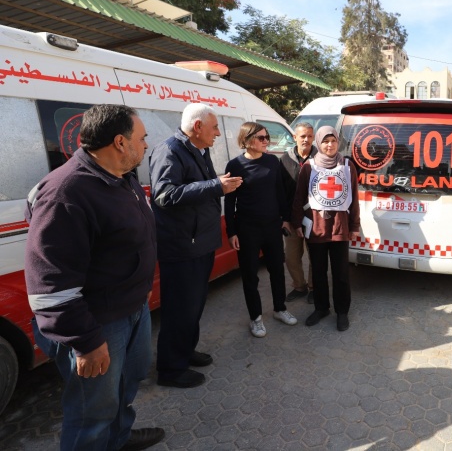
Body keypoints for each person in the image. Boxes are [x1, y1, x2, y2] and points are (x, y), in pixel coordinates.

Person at [24, 104, 165, 451]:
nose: (146, 145)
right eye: (142, 138)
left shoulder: (124, 177)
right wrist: (84, 341)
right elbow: (49, 284)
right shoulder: (65, 193)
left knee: (125, 388)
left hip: (132, 310)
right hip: (97, 324)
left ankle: (117, 440)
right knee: (92, 413)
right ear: (120, 142)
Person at [149, 103, 242, 389]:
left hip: (199, 244)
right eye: (214, 127)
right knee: (180, 309)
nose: (218, 133)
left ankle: (185, 352)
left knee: (194, 306)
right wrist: (216, 186)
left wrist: (216, 185)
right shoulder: (170, 151)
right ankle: (171, 369)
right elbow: (163, 195)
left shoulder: (198, 149)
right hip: (181, 248)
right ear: (198, 127)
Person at [224, 122, 297, 338]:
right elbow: (230, 202)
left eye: (267, 137)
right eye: (262, 138)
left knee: (277, 270)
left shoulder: (272, 161)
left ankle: (280, 308)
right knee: (250, 275)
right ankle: (255, 318)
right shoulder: (235, 165)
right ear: (247, 140)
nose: (267, 141)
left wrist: (285, 219)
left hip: (272, 226)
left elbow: (279, 192)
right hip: (247, 229)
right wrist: (231, 231)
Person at [291, 126, 360, 332]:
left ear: (338, 142)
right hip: (316, 229)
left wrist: (355, 226)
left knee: (341, 274)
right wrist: (296, 223)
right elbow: (298, 197)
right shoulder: (308, 167)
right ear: (318, 143)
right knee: (318, 273)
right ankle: (321, 308)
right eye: (325, 141)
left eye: (333, 141)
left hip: (340, 228)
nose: (329, 145)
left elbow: (354, 198)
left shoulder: (348, 166)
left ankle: (342, 312)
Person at [280, 122, 317, 304]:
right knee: (291, 257)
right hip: (291, 218)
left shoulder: (321, 158)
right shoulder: (285, 159)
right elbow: (281, 192)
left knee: (315, 256)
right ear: (294, 137)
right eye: (302, 136)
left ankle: (313, 288)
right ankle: (299, 286)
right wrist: (284, 219)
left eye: (310, 136)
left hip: (315, 219)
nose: (306, 139)